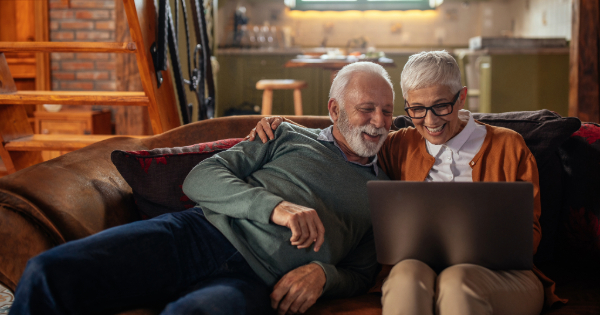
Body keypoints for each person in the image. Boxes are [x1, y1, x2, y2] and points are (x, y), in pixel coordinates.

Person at [9, 61, 395, 315]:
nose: (378, 122)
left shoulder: (383, 192)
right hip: (194, 235)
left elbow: (360, 272)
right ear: (334, 110)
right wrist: (275, 206)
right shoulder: (285, 135)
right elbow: (201, 178)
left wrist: (325, 274)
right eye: (366, 108)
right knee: (49, 271)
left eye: (387, 111)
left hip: (255, 280)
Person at [251, 51, 564, 315]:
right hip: (417, 267)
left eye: (442, 105)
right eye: (416, 109)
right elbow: (345, 138)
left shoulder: (509, 145)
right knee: (404, 278)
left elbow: (530, 234)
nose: (430, 121)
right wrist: (286, 126)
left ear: (462, 97)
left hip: (503, 276)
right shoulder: (397, 144)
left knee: (457, 281)